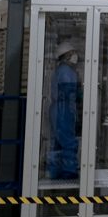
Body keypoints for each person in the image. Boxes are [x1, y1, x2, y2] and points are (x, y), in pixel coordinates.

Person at [46, 42, 81, 180]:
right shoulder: (67, 71)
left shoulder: (60, 70)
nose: (75, 56)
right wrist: (81, 94)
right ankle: (69, 172)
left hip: (58, 109)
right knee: (68, 142)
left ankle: (54, 171)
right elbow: (68, 91)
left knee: (58, 142)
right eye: (73, 53)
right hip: (63, 110)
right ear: (67, 56)